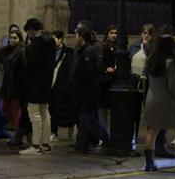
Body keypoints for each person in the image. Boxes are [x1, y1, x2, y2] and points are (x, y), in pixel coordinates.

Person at [142, 36, 175, 171]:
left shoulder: (151, 60)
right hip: (167, 100)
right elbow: (172, 85)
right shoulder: (169, 62)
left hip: (152, 97)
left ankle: (149, 162)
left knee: (152, 130)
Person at [19, 17, 56, 155]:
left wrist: (27, 55)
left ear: (31, 29)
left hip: (35, 82)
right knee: (45, 111)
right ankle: (45, 143)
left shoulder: (36, 41)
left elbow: (32, 63)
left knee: (34, 113)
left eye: (28, 32)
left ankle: (35, 146)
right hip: (47, 81)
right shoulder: (51, 40)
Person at [69, 21, 100, 153]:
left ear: (81, 37)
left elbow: (88, 73)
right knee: (82, 119)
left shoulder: (89, 51)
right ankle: (82, 143)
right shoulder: (79, 50)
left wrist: (78, 85)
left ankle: (93, 141)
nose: (74, 37)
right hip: (79, 91)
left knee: (86, 119)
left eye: (76, 35)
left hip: (86, 92)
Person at [0, 27, 26, 148]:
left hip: (16, 85)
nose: (12, 40)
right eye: (10, 38)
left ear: (19, 39)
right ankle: (17, 133)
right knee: (4, 108)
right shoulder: (7, 50)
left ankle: (18, 136)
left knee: (16, 111)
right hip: (7, 84)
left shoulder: (21, 50)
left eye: (15, 38)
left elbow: (23, 68)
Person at [130, 23, 155, 151]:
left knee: (149, 111)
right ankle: (132, 136)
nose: (146, 35)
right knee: (134, 111)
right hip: (135, 81)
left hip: (148, 83)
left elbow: (152, 60)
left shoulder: (152, 47)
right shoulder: (134, 46)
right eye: (144, 33)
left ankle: (150, 138)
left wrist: (146, 46)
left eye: (149, 33)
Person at [49, 29, 75, 143]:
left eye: (54, 40)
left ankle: (70, 132)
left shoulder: (68, 53)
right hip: (52, 86)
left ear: (60, 39)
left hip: (63, 85)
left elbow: (69, 71)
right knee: (52, 110)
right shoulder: (49, 52)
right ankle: (53, 132)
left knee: (66, 111)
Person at [97, 25, 121, 143]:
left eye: (115, 33)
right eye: (111, 33)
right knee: (102, 110)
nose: (113, 35)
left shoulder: (119, 48)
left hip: (114, 82)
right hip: (104, 82)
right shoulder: (102, 48)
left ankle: (111, 135)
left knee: (113, 111)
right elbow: (99, 64)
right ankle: (104, 136)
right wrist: (106, 69)